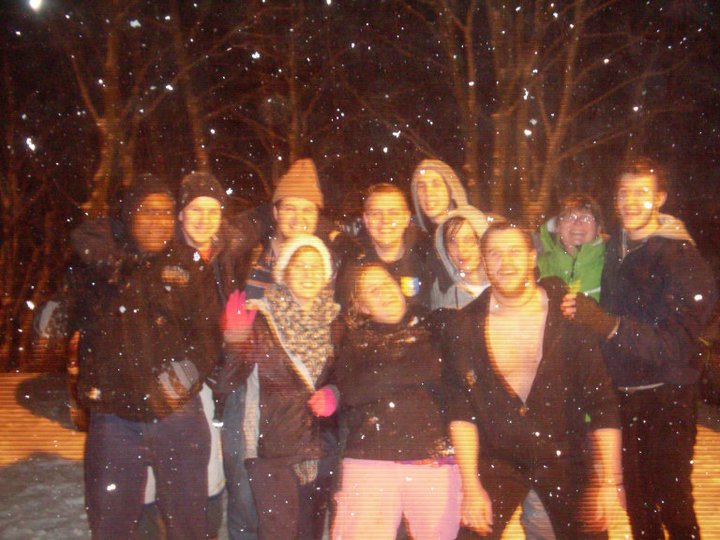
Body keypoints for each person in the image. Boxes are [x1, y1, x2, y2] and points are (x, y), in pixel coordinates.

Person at [562, 158, 718, 539]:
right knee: (637, 506)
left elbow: (676, 344)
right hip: (623, 399)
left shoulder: (681, 258)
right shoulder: (614, 248)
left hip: (667, 399)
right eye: (623, 193)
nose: (630, 202)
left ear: (660, 198)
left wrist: (607, 323)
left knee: (673, 503)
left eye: (641, 193)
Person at [444, 222, 626, 539]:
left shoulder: (569, 316)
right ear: (484, 262)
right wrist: (471, 487)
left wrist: (611, 481)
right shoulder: (464, 326)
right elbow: (462, 412)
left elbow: (603, 404)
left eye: (514, 251)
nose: (505, 262)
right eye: (494, 254)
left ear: (532, 257)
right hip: (499, 458)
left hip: (565, 455)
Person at [74, 174, 222, 540]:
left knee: (188, 521)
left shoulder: (188, 265)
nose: (158, 221)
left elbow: (207, 339)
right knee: (111, 521)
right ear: (129, 214)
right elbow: (76, 321)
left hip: (177, 414)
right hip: (114, 417)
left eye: (166, 212)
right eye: (147, 211)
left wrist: (179, 380)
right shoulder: (104, 264)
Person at [220, 158, 331, 540]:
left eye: (308, 210)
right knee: (247, 500)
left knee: (302, 510)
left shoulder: (328, 260)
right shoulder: (245, 256)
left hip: (306, 405)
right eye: (290, 208)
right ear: (275, 213)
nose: (299, 218)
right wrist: (233, 338)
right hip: (249, 393)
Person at [331, 264, 460, 540]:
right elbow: (353, 390)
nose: (386, 292)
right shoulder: (352, 342)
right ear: (361, 306)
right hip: (370, 460)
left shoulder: (434, 327)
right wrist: (422, 366)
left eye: (388, 284)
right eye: (373, 290)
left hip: (432, 457)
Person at [335, 183, 430, 309]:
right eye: (376, 213)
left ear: (406, 218)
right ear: (366, 220)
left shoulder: (427, 257)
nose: (385, 220)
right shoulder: (352, 265)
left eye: (394, 213)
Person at [536, 193, 605, 301]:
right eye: (569, 217)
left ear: (598, 228)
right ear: (557, 226)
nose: (577, 223)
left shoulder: (609, 266)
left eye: (586, 218)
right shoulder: (539, 267)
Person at [430, 206, 491, 310]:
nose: (461, 249)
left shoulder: (503, 285)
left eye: (468, 240)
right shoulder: (443, 293)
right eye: (452, 242)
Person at [410, 159, 468, 236]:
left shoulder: (469, 231)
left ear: (450, 190)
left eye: (436, 185)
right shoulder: (413, 238)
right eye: (421, 186)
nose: (428, 193)